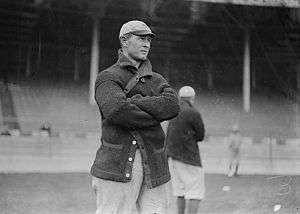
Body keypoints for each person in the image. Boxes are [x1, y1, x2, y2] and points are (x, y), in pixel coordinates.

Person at [90, 20, 180, 214]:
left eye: (148, 39)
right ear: (124, 41)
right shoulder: (107, 77)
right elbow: (118, 111)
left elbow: (173, 106)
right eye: (141, 38)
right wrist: (156, 115)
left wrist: (135, 101)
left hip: (155, 167)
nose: (146, 43)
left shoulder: (157, 79)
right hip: (116, 165)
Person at [166, 86, 205, 214]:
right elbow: (201, 136)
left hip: (172, 157)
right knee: (195, 192)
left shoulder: (172, 111)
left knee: (180, 192)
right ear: (192, 98)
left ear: (180, 97)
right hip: (189, 157)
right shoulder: (193, 113)